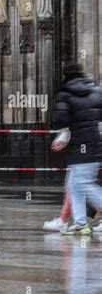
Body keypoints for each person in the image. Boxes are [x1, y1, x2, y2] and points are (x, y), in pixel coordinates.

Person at [53, 63, 102, 235]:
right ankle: (81, 224)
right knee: (73, 184)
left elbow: (61, 120)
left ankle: (81, 222)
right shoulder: (95, 91)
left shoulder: (65, 94)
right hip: (93, 143)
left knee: (83, 184)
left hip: (79, 144)